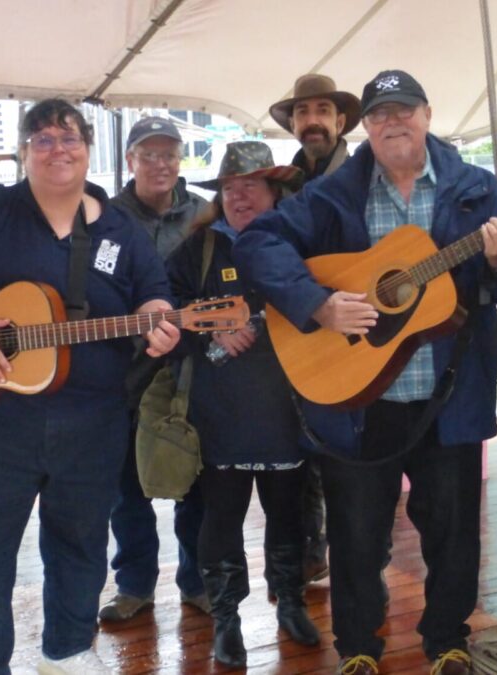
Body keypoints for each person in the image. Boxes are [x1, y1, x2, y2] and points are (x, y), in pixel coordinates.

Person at [233, 70, 497, 675]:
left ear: (427, 114)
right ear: (364, 126)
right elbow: (258, 243)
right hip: (357, 402)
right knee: (355, 535)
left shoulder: (477, 190)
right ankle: (358, 650)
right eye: (380, 115)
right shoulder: (333, 195)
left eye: (404, 111)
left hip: (447, 397)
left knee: (453, 534)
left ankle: (448, 640)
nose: (393, 122)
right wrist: (316, 303)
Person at [0, 98, 180, 674]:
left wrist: (160, 320)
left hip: (93, 420)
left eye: (69, 138)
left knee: (80, 545)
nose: (57, 149)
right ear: (23, 151)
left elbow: (153, 293)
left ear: (89, 150)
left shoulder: (120, 227)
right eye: (42, 139)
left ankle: (68, 657)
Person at [165, 142, 319, 669]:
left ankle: (292, 604)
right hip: (221, 411)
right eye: (229, 188)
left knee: (289, 512)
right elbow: (164, 314)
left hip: (290, 407)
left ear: (275, 191)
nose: (238, 196)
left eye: (250, 186)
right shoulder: (198, 250)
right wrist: (209, 334)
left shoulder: (304, 241)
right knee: (221, 517)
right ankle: (226, 619)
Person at [101, 116, 210, 621]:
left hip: (190, 373)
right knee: (125, 486)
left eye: (169, 154)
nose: (160, 164)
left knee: (195, 481)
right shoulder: (103, 217)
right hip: (120, 373)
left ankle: (198, 579)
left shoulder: (205, 215)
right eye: (149, 154)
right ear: (130, 161)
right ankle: (135, 583)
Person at [268, 72, 362, 585]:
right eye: (303, 113)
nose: (312, 121)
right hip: (301, 325)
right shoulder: (284, 182)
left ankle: (364, 565)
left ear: (341, 120)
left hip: (356, 326)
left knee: (355, 458)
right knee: (303, 450)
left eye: (322, 111)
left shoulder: (364, 172)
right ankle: (313, 559)